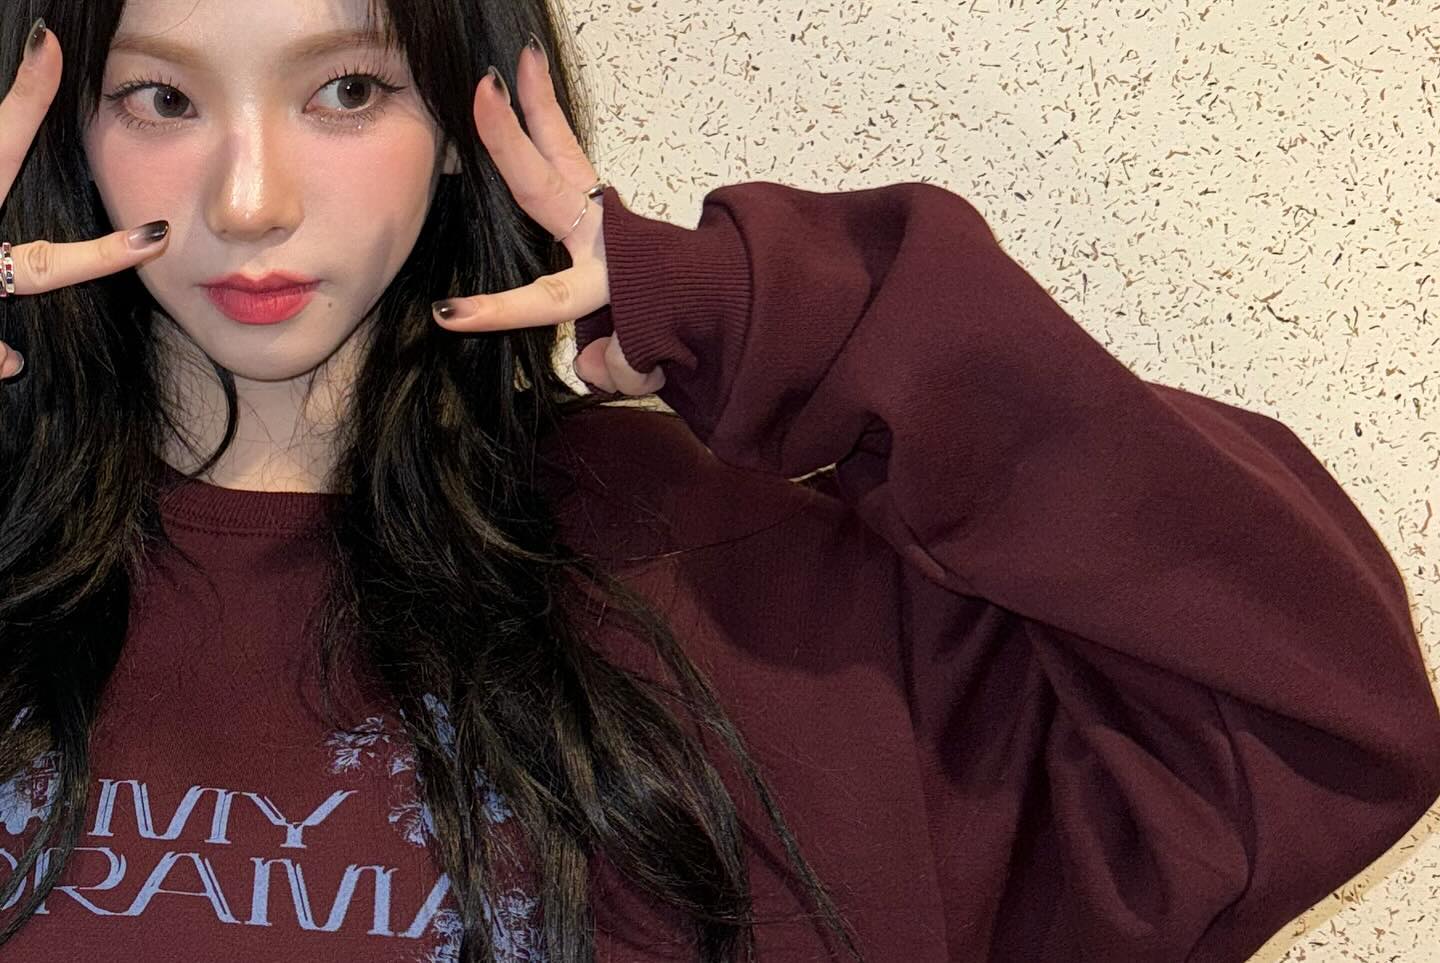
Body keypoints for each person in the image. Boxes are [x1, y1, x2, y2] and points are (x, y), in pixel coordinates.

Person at [0, 1, 1437, 961]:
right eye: (162, 98)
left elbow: (1309, 716)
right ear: (66, 134)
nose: (249, 198)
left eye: (349, 90)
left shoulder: (724, 576)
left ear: (461, 131)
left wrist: (777, 318)